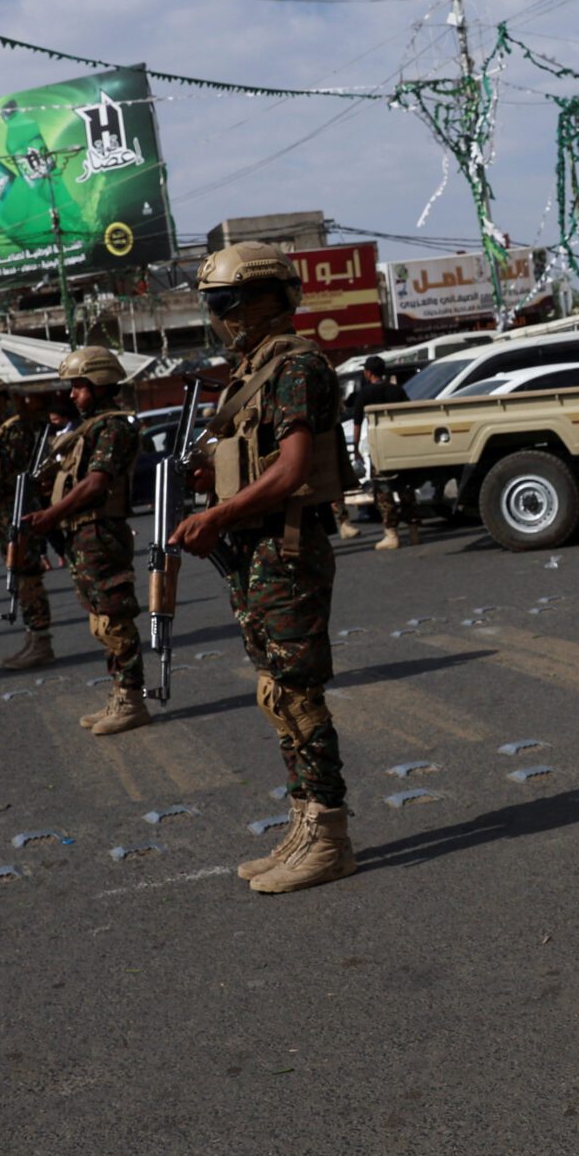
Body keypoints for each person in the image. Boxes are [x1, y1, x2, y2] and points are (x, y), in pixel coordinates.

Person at [172, 244, 359, 893]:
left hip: (287, 548)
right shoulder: (253, 369)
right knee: (275, 691)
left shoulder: (297, 364)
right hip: (259, 551)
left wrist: (218, 517)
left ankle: (330, 835)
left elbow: (293, 469)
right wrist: (211, 479)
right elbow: (258, 459)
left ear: (261, 302)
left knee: (299, 693)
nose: (218, 317)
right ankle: (303, 819)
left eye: (223, 304)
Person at [15, 347, 147, 735]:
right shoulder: (87, 430)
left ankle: (132, 701)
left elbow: (96, 483)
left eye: (79, 386)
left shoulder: (115, 427)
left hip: (100, 533)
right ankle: (120, 693)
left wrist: (50, 516)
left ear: (101, 384)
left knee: (115, 619)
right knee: (101, 621)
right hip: (82, 534)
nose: (72, 394)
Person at [0, 374, 56, 670]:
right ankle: (33, 638)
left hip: (21, 512)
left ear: (2, 399)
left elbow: (15, 476)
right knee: (18, 575)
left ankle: (41, 641)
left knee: (28, 577)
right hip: (3, 514)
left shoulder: (15, 429)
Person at [346, 354, 417, 551]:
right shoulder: (397, 390)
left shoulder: (364, 394)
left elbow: (357, 423)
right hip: (400, 445)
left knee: (383, 491)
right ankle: (413, 531)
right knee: (406, 488)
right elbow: (409, 415)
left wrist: (357, 451)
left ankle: (391, 534)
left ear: (368, 373)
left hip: (379, 448)